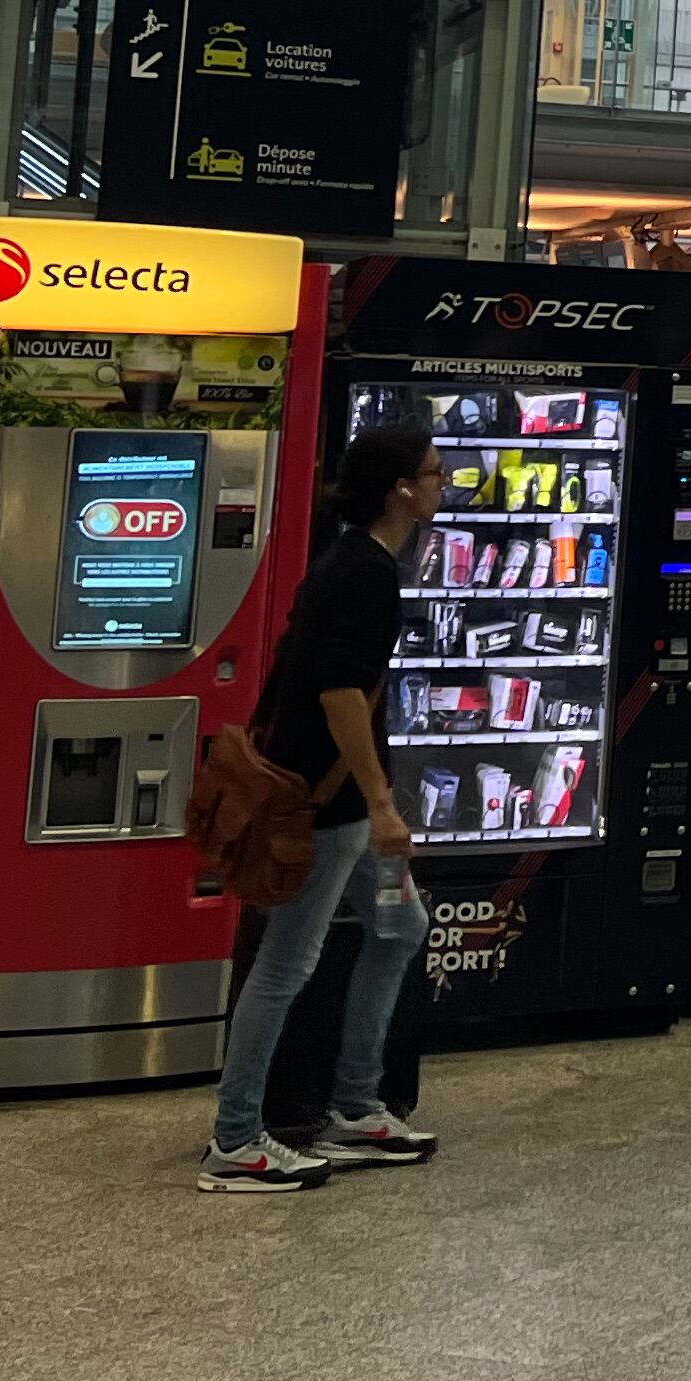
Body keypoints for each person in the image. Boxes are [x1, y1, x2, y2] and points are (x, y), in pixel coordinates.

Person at [208, 428, 446, 1191]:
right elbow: (341, 694)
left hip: (331, 799)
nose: (444, 486)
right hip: (329, 805)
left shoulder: (356, 563)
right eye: (435, 475)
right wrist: (381, 803)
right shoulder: (367, 575)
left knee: (401, 926)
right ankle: (236, 1141)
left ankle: (353, 1104)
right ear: (399, 490)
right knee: (286, 965)